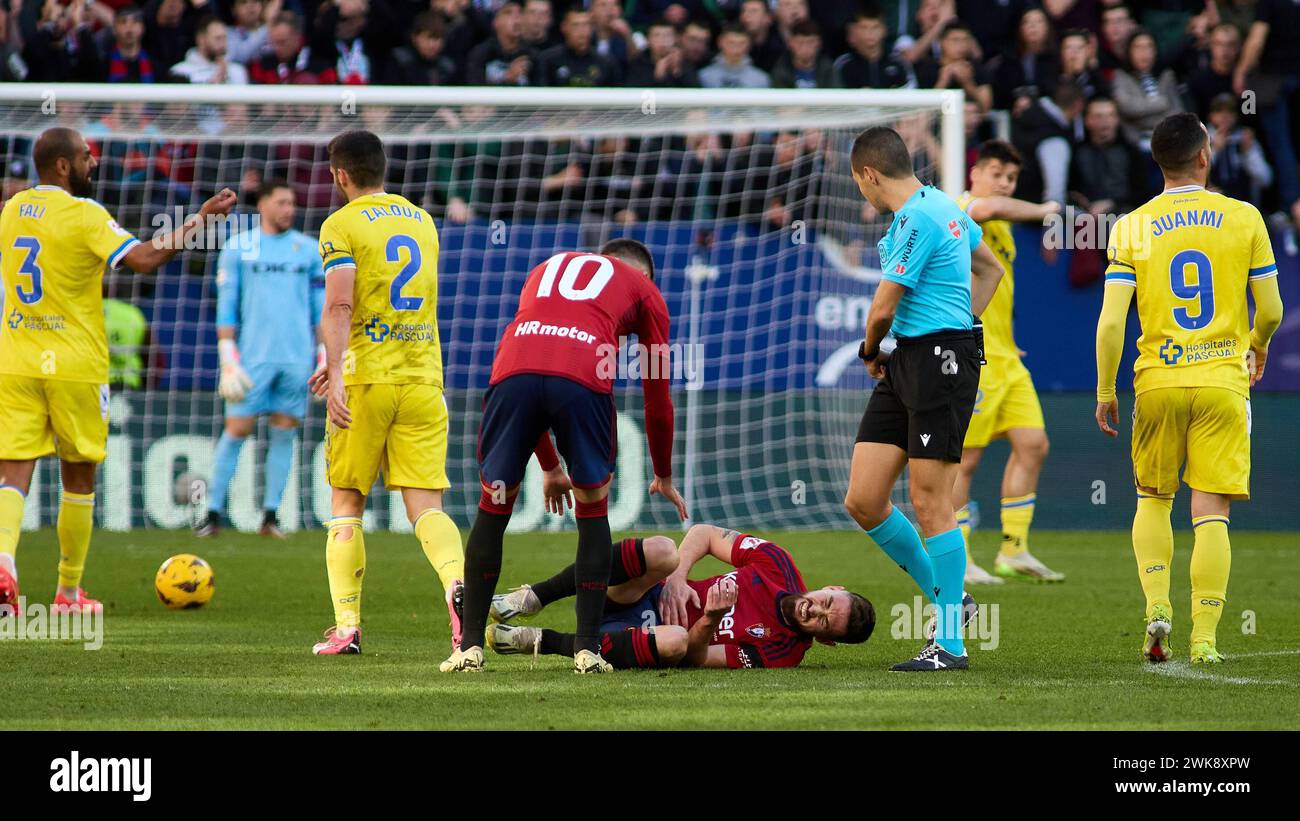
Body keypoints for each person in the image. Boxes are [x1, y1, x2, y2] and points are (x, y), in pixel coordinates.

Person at [0, 127, 235, 618]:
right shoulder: (85, 214)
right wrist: (201, 219)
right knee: (78, 477)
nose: (95, 163)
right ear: (63, 165)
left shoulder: (13, 209)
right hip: (74, 365)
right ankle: (67, 595)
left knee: (13, 473)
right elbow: (145, 259)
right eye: (87, 156)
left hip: (16, 359)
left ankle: (5, 565)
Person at [442, 239, 688, 675]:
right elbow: (657, 398)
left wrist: (550, 465)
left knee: (494, 507)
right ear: (642, 276)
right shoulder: (646, 292)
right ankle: (588, 651)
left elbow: (537, 366)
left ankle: (468, 648)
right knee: (592, 507)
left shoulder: (546, 268)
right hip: (581, 377)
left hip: (513, 371)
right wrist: (663, 473)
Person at [1096, 113, 1284, 665]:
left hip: (1158, 380)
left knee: (1153, 499)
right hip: (1224, 382)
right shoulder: (1244, 216)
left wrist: (1107, 389)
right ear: (1204, 157)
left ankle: (1158, 608)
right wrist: (1257, 344)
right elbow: (1271, 308)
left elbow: (1111, 323)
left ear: (1159, 161)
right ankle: (1205, 638)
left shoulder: (1130, 224)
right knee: (1211, 512)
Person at [841, 126, 1004, 672]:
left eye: (859, 184)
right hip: (909, 360)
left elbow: (883, 307)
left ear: (868, 174)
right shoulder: (943, 207)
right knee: (864, 499)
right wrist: (966, 316)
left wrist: (870, 349)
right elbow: (991, 269)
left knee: (932, 501)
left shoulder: (918, 215)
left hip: (938, 363)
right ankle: (952, 597)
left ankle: (951, 644)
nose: (862, 193)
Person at [308, 131, 466, 656]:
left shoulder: (340, 224)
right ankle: (456, 587)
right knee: (426, 506)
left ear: (340, 175)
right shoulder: (421, 220)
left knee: (347, 501)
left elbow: (340, 305)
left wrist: (334, 370)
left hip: (366, 378)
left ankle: (347, 628)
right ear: (383, 169)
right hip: (423, 376)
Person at [487, 525, 875, 669]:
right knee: (663, 550)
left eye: (824, 622)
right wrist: (677, 577)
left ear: (824, 639)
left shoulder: (782, 653)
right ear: (833, 587)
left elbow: (697, 657)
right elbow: (704, 534)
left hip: (644, 640)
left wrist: (708, 618)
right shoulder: (777, 562)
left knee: (675, 641)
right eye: (826, 602)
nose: (815, 610)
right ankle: (533, 597)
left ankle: (540, 642)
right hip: (633, 593)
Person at [952, 141, 1064, 585]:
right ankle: (957, 560)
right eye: (996, 172)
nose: (1003, 182)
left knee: (1033, 443)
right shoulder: (964, 207)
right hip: (975, 356)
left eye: (1011, 177)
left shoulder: (1001, 227)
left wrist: (1009, 338)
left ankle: (1013, 551)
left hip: (1005, 354)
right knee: (965, 460)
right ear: (975, 173)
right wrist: (1046, 208)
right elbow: (989, 205)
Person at [195, 180, 323, 539]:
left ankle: (270, 517)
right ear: (263, 204)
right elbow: (227, 306)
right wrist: (228, 359)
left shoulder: (308, 250)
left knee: (284, 433)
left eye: (292, 203)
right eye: (282, 202)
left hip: (296, 360)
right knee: (236, 431)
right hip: (252, 360)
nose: (289, 209)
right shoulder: (239, 248)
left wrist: (324, 356)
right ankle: (212, 513)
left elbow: (320, 311)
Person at [534, 6, 620, 87]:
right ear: (564, 27)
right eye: (576, 25)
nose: (582, 32)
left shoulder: (606, 63)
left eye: (586, 25)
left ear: (592, 28)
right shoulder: (548, 60)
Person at [833, 8, 912, 90]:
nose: (870, 33)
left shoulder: (898, 62)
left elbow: (911, 92)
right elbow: (835, 95)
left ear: (884, 30)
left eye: (875, 27)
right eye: (864, 28)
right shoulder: (844, 64)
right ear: (855, 31)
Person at [698, 23, 770, 89]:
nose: (736, 48)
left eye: (741, 43)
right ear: (720, 42)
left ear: (749, 45)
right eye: (731, 42)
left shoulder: (761, 79)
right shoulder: (704, 77)